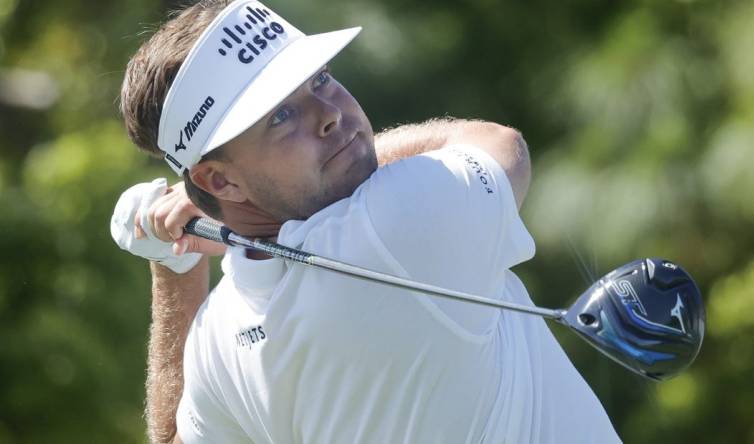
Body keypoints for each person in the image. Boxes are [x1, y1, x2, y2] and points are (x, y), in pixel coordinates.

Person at [111, 0, 622, 442]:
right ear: (220, 182)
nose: (329, 113)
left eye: (321, 80)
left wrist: (172, 267)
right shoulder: (399, 222)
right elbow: (497, 143)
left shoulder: (220, 336)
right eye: (281, 117)